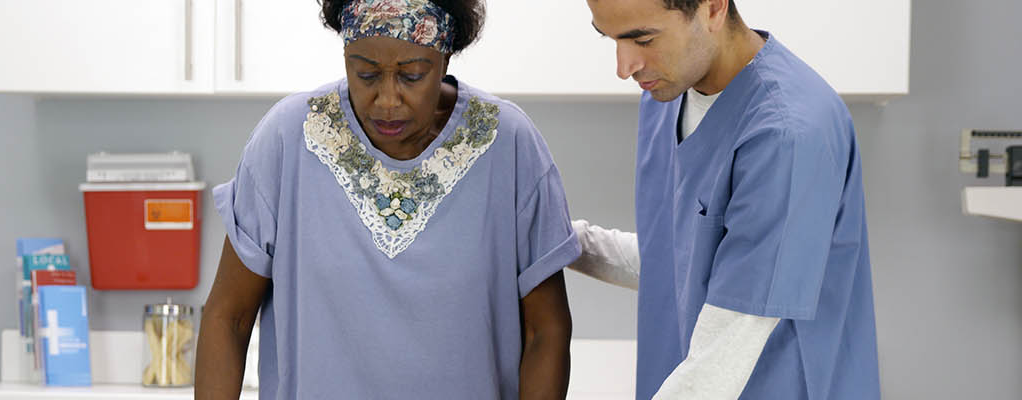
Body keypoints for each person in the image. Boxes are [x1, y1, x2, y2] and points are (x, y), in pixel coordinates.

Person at [195, 0, 582, 398]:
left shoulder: (509, 144)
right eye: (366, 74)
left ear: (445, 56)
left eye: (412, 75)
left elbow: (546, 331)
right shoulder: (289, 138)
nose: (387, 100)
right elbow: (229, 318)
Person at [572, 0, 881, 398]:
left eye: (643, 39)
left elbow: (730, 341)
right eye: (610, 38)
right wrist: (568, 241)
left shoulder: (787, 133)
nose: (623, 66)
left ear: (713, 8)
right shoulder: (666, 97)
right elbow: (680, 262)